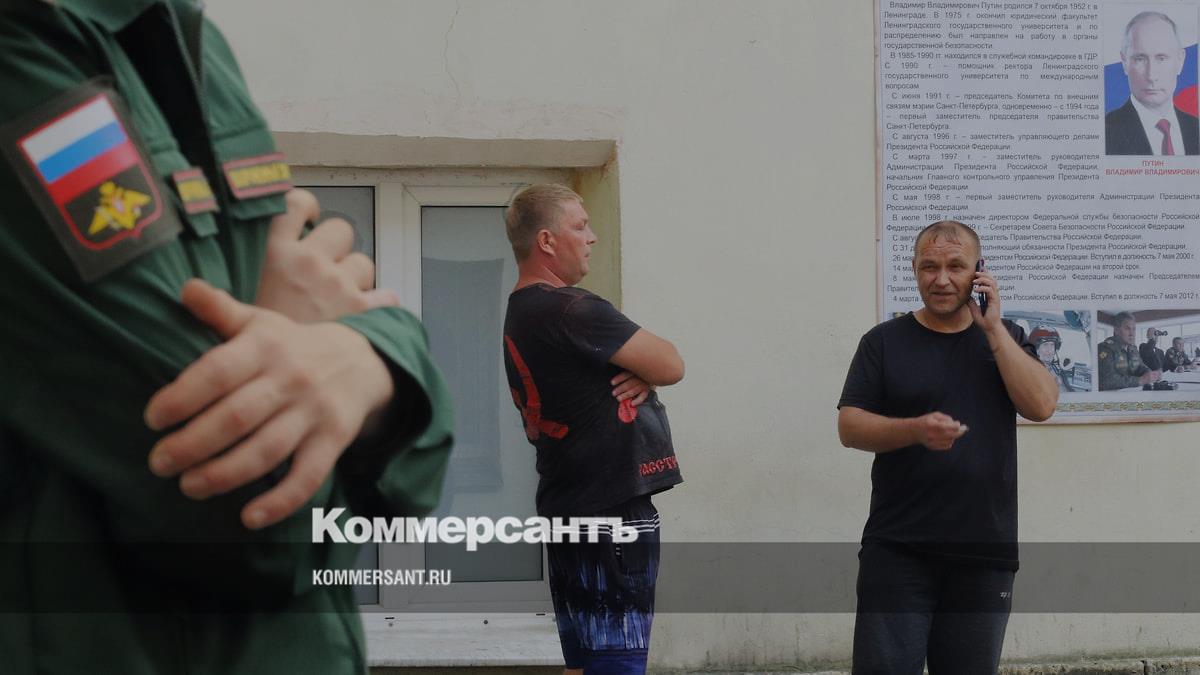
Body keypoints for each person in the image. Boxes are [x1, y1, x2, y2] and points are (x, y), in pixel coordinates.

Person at [0, 2, 453, 673]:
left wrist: (369, 360)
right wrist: (366, 426)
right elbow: (251, 512)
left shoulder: (190, 39)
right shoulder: (25, 47)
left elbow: (406, 453)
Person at [837, 220, 1059, 675]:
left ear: (978, 272)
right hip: (898, 550)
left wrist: (993, 330)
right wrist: (913, 430)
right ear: (914, 270)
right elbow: (850, 427)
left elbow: (1041, 406)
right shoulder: (883, 342)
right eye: (929, 267)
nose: (941, 279)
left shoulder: (1006, 338)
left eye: (955, 266)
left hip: (984, 551)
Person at [501, 184, 684, 675]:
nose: (592, 237)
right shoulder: (570, 308)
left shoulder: (522, 311)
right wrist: (647, 371)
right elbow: (671, 362)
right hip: (611, 512)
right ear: (546, 241)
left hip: (568, 506)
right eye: (579, 226)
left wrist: (640, 373)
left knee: (583, 665)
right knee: (616, 664)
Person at [1106, 11, 1200, 155]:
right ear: (1124, 62)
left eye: (1161, 58)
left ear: (1180, 61)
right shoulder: (1106, 131)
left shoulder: (1196, 127)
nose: (1151, 76)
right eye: (1140, 59)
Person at [1098, 312, 1161, 390]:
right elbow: (1107, 381)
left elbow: (1140, 367)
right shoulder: (1105, 348)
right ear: (1116, 330)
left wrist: (1150, 374)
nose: (1132, 333)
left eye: (1133, 329)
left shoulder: (1133, 348)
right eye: (1127, 329)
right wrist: (1140, 380)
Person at [1031, 325, 1073, 392]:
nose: (1049, 350)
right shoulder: (1029, 372)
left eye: (1052, 345)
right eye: (1045, 345)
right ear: (1036, 348)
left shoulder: (1056, 370)